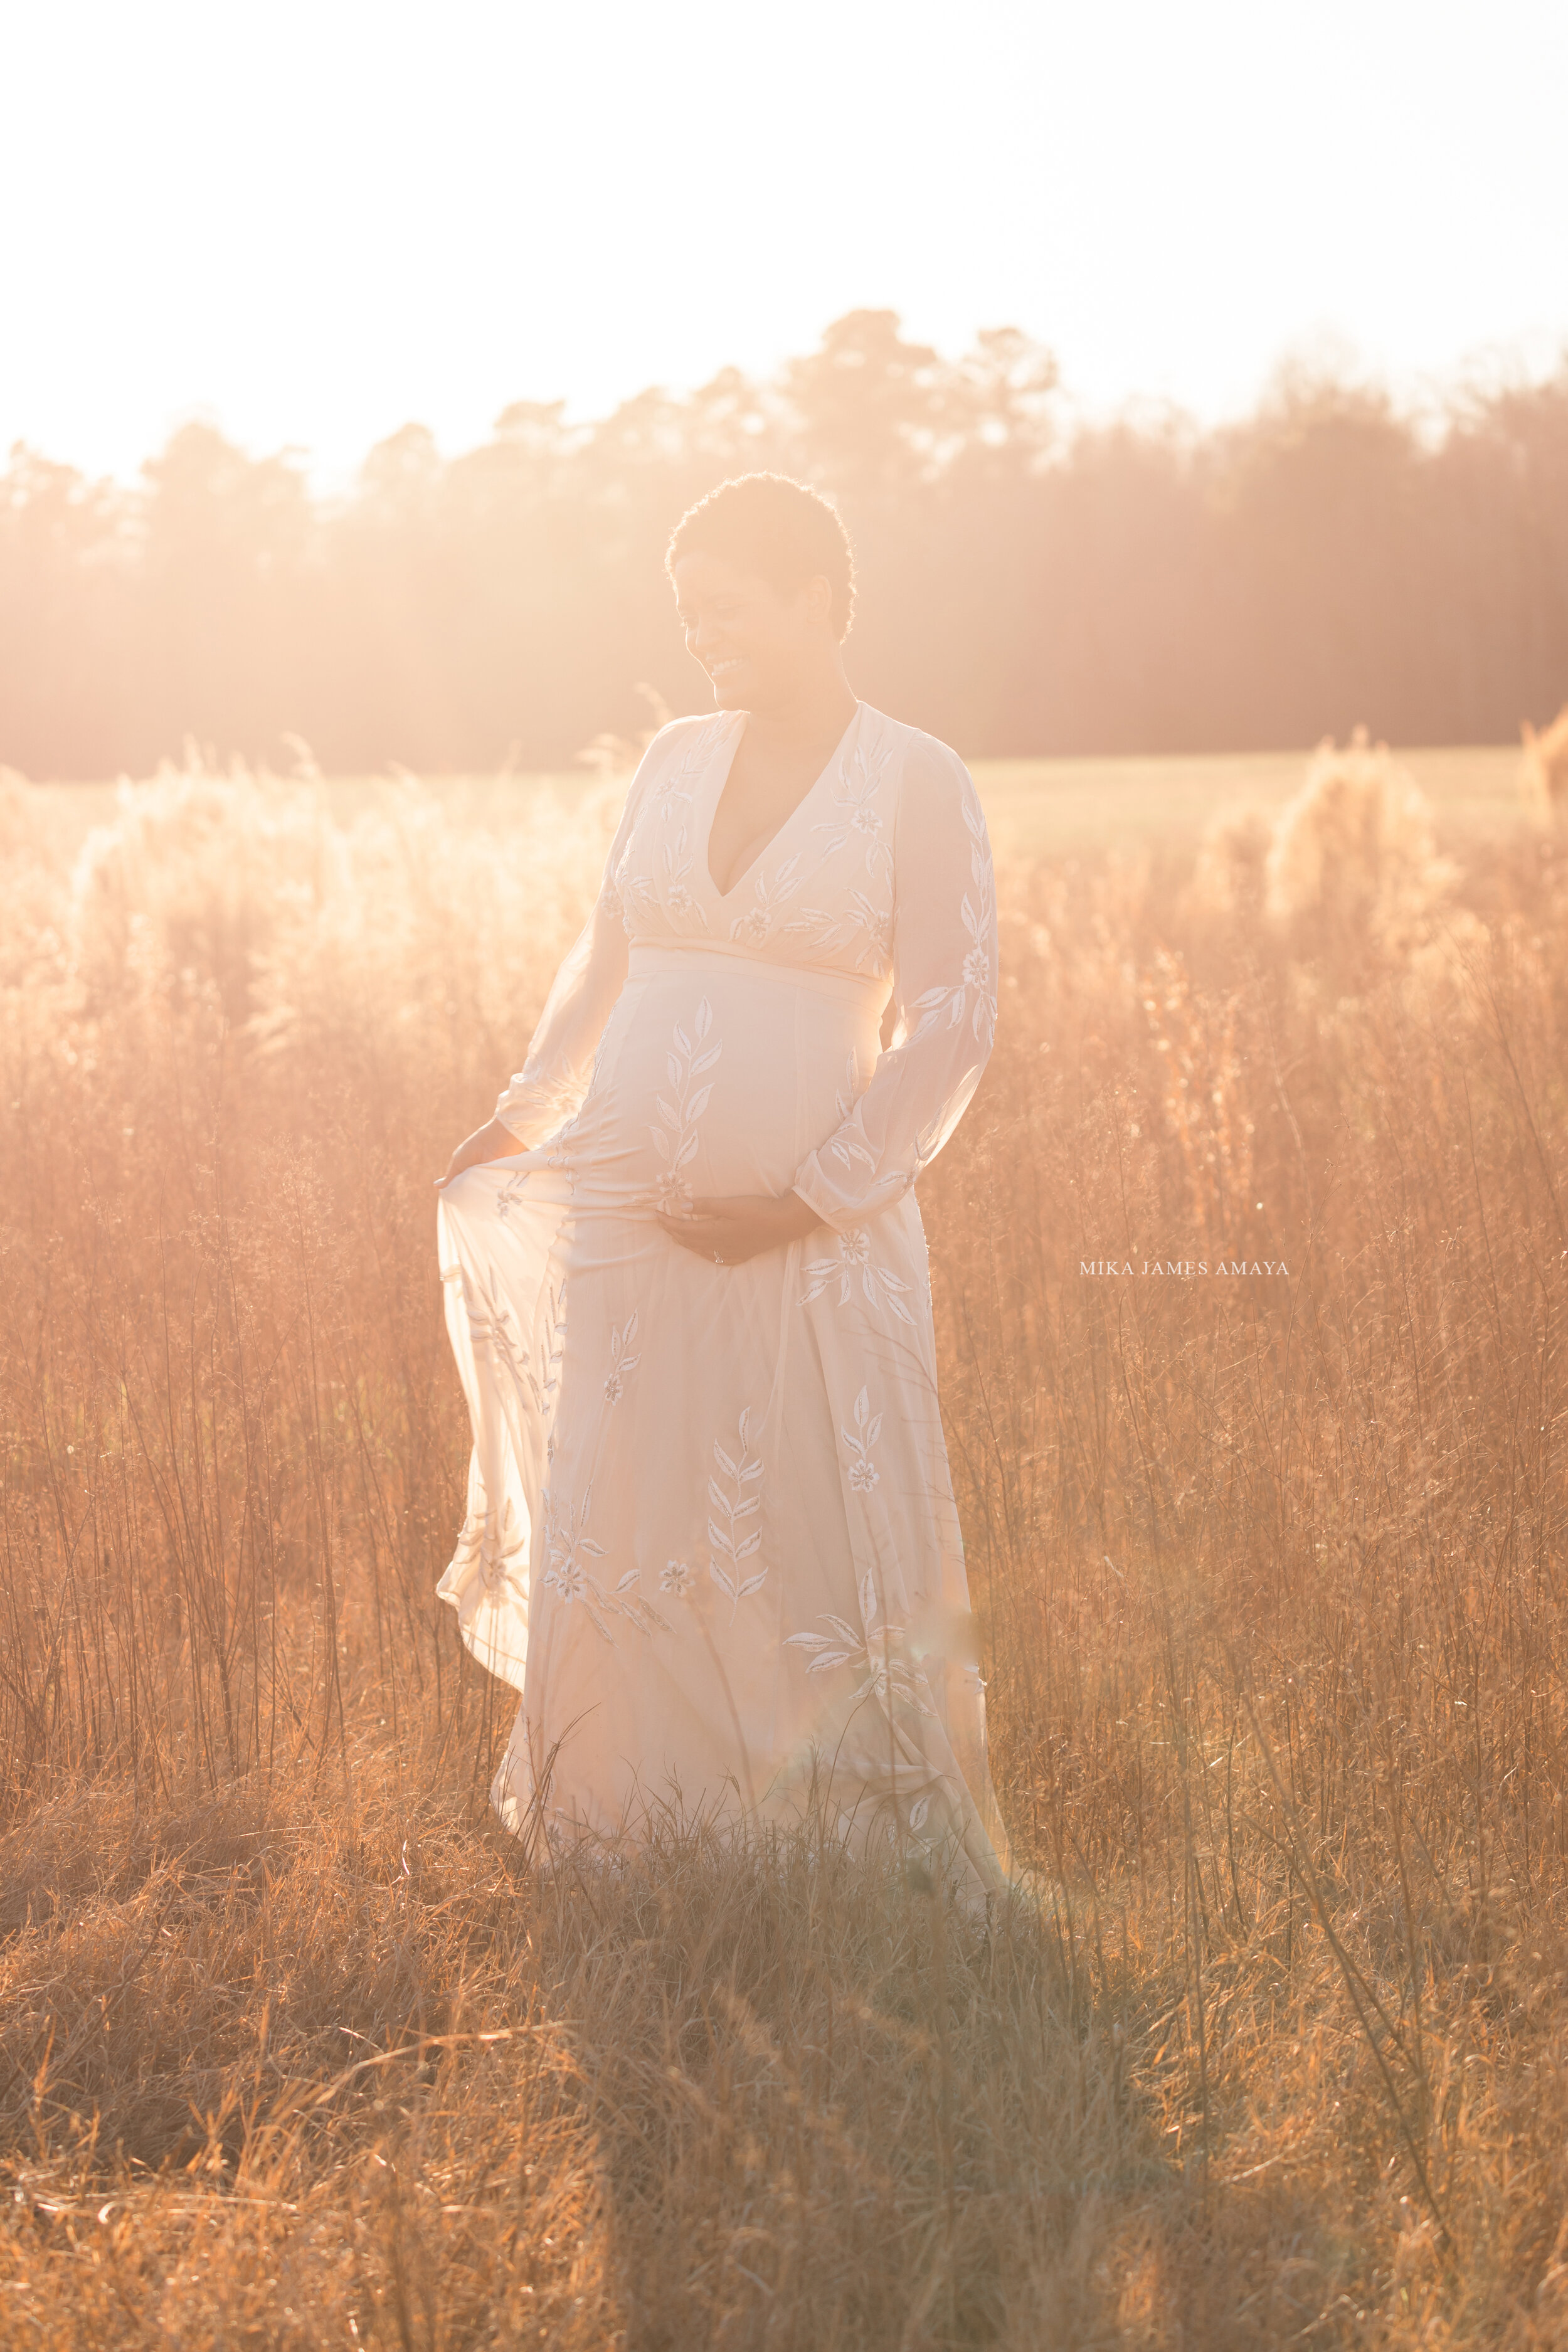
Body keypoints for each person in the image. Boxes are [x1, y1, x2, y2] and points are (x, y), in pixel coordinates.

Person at [435, 472, 1010, 1894]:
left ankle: (831, 1854)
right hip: (628, 1215)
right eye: (689, 615)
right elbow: (604, 953)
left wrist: (812, 1198)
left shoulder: (914, 776)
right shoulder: (673, 758)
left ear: (819, 600)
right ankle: (625, 1834)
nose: (705, 640)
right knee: (631, 1505)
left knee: (805, 1515)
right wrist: (523, 1111)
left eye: (730, 610)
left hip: (812, 1224)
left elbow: (952, 1020)